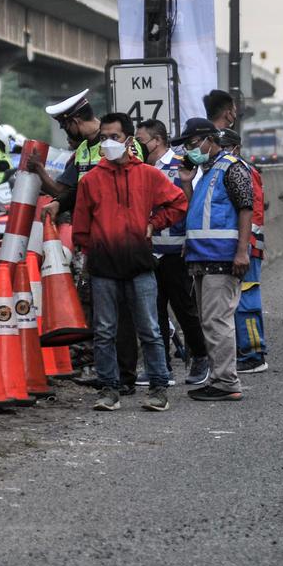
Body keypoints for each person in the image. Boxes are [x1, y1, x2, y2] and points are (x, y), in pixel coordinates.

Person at [27, 90, 142, 392]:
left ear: (75, 120)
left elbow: (137, 183)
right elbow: (67, 192)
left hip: (122, 240)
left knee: (124, 311)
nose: (66, 132)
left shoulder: (125, 147)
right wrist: (40, 173)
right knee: (98, 310)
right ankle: (105, 372)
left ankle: (126, 376)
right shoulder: (81, 154)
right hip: (93, 241)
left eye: (66, 126)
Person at [72, 113, 187, 413]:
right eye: (104, 138)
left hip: (139, 263)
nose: (109, 143)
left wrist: (155, 222)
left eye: (116, 137)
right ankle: (109, 389)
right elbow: (81, 227)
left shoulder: (147, 175)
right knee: (105, 331)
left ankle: (158, 387)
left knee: (149, 328)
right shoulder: (92, 180)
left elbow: (178, 203)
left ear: (129, 140)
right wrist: (87, 257)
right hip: (103, 267)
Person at [173, 118, 252, 402]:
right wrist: (186, 183)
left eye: (193, 144)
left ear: (209, 139)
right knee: (210, 321)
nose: (191, 150)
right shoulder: (206, 173)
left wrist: (242, 251)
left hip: (223, 257)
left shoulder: (232, 168)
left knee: (217, 320)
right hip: (202, 257)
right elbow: (197, 211)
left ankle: (227, 382)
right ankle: (219, 378)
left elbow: (246, 208)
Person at [137, 118, 209, 385]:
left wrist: (191, 243)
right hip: (148, 250)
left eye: (141, 141)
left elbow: (196, 205)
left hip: (176, 250)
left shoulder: (183, 165)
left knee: (184, 309)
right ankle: (160, 366)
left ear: (156, 140)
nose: (137, 146)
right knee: (153, 311)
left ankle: (200, 358)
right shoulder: (141, 169)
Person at [203, 93, 270, 374]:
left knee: (247, 301)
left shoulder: (242, 170)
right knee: (234, 303)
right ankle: (243, 351)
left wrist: (246, 246)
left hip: (248, 246)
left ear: (236, 148)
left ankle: (254, 354)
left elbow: (252, 211)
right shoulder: (220, 169)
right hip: (236, 245)